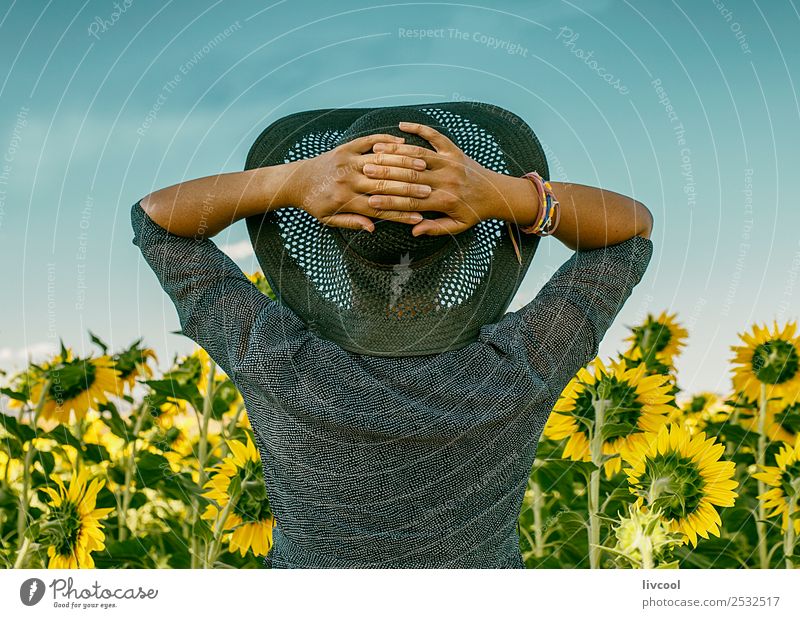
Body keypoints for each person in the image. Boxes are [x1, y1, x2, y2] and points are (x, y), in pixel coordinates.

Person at [131, 102, 653, 568]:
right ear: (470, 243)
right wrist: (507, 196)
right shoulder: (520, 367)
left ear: (328, 241)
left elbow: (156, 221)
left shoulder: (277, 360)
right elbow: (630, 232)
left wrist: (289, 184)